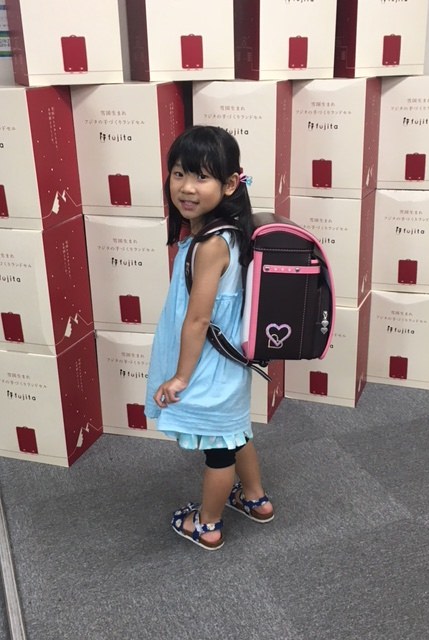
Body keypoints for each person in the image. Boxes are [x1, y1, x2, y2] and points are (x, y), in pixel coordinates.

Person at [145, 125, 274, 550]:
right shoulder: (230, 231)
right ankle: (254, 498)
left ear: (231, 183)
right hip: (228, 362)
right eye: (179, 173)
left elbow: (199, 319)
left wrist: (181, 377)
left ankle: (208, 523)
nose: (186, 187)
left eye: (202, 177)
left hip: (209, 366)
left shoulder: (211, 245)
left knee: (218, 450)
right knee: (234, 430)